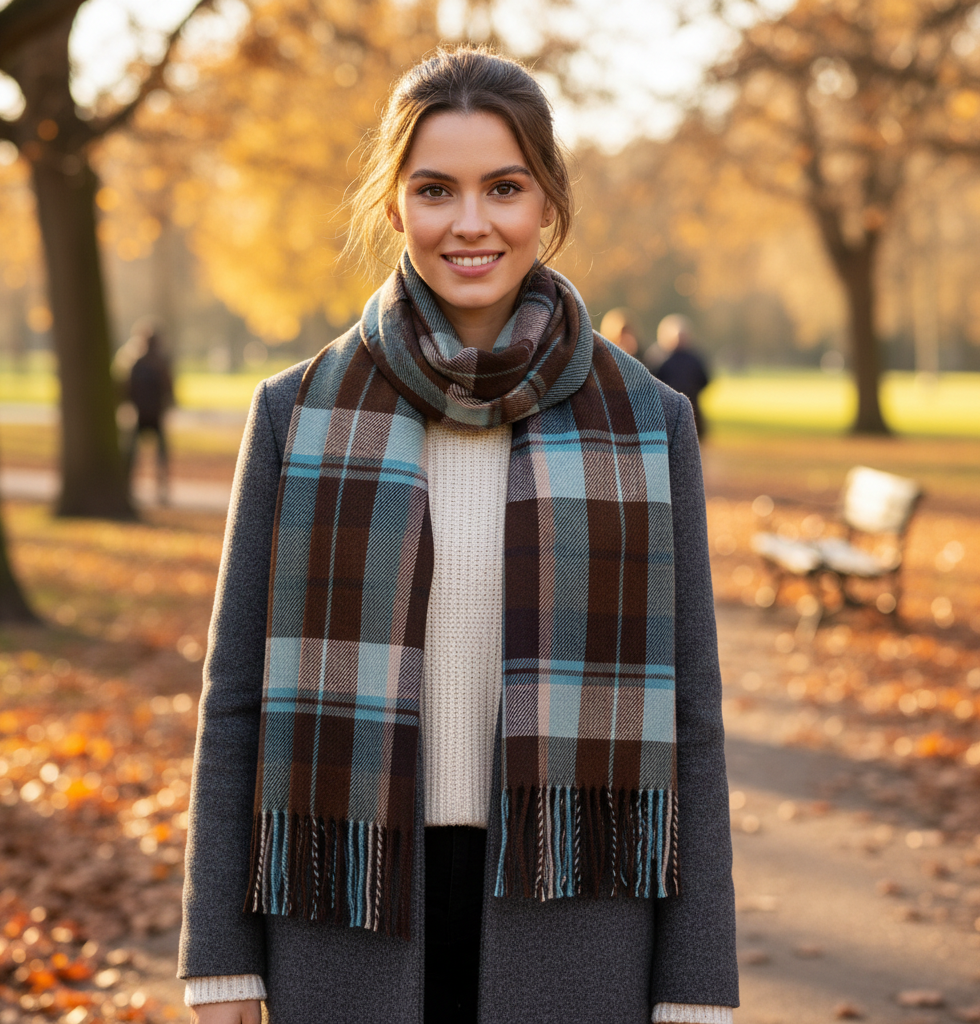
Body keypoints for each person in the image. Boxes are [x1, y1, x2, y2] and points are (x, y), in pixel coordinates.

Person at [178, 47, 736, 1024]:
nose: (470, 223)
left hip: (575, 915)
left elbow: (692, 718)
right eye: (436, 188)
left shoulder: (649, 420)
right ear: (395, 205)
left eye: (503, 187)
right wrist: (221, 962)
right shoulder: (296, 415)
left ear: (546, 204)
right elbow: (234, 706)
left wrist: (696, 985)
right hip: (345, 909)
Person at [122, 321, 175, 503]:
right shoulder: (158, 363)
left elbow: (126, 389)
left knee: (135, 455)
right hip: (151, 414)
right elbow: (169, 387)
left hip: (143, 414)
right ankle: (159, 491)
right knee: (155, 455)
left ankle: (141, 490)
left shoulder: (136, 362)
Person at [645, 314, 710, 440]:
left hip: (692, 412)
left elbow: (704, 380)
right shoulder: (656, 358)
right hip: (663, 415)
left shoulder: (695, 358)